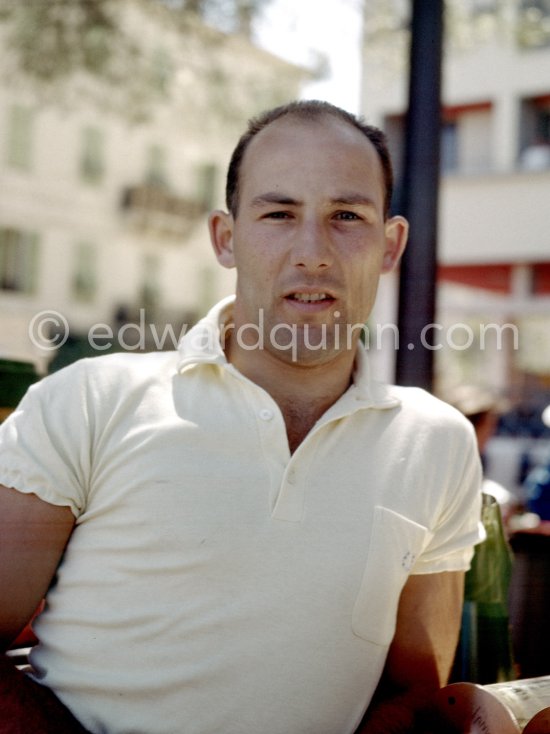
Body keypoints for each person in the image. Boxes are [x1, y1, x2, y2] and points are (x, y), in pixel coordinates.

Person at [0, 100, 484, 734]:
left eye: (346, 216)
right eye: (279, 214)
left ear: (390, 245)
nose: (312, 251)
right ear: (226, 238)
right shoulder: (90, 402)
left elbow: (410, 695)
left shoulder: (439, 443)